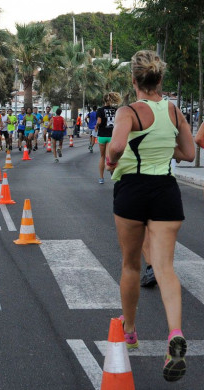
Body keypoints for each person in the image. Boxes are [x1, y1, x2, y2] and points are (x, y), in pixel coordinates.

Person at [106, 50, 194, 382]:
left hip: (132, 190)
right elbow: (188, 152)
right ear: (160, 79)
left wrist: (115, 160)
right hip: (166, 192)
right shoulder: (174, 111)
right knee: (165, 267)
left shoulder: (129, 111)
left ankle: (129, 332)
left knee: (130, 263)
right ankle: (174, 334)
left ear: (134, 80)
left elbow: (115, 147)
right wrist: (161, 145)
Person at [96, 92, 121, 184]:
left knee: (102, 157)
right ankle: (113, 173)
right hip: (112, 136)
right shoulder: (116, 110)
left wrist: (96, 126)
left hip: (102, 135)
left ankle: (101, 178)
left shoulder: (100, 110)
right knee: (110, 156)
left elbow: (99, 121)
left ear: (104, 100)